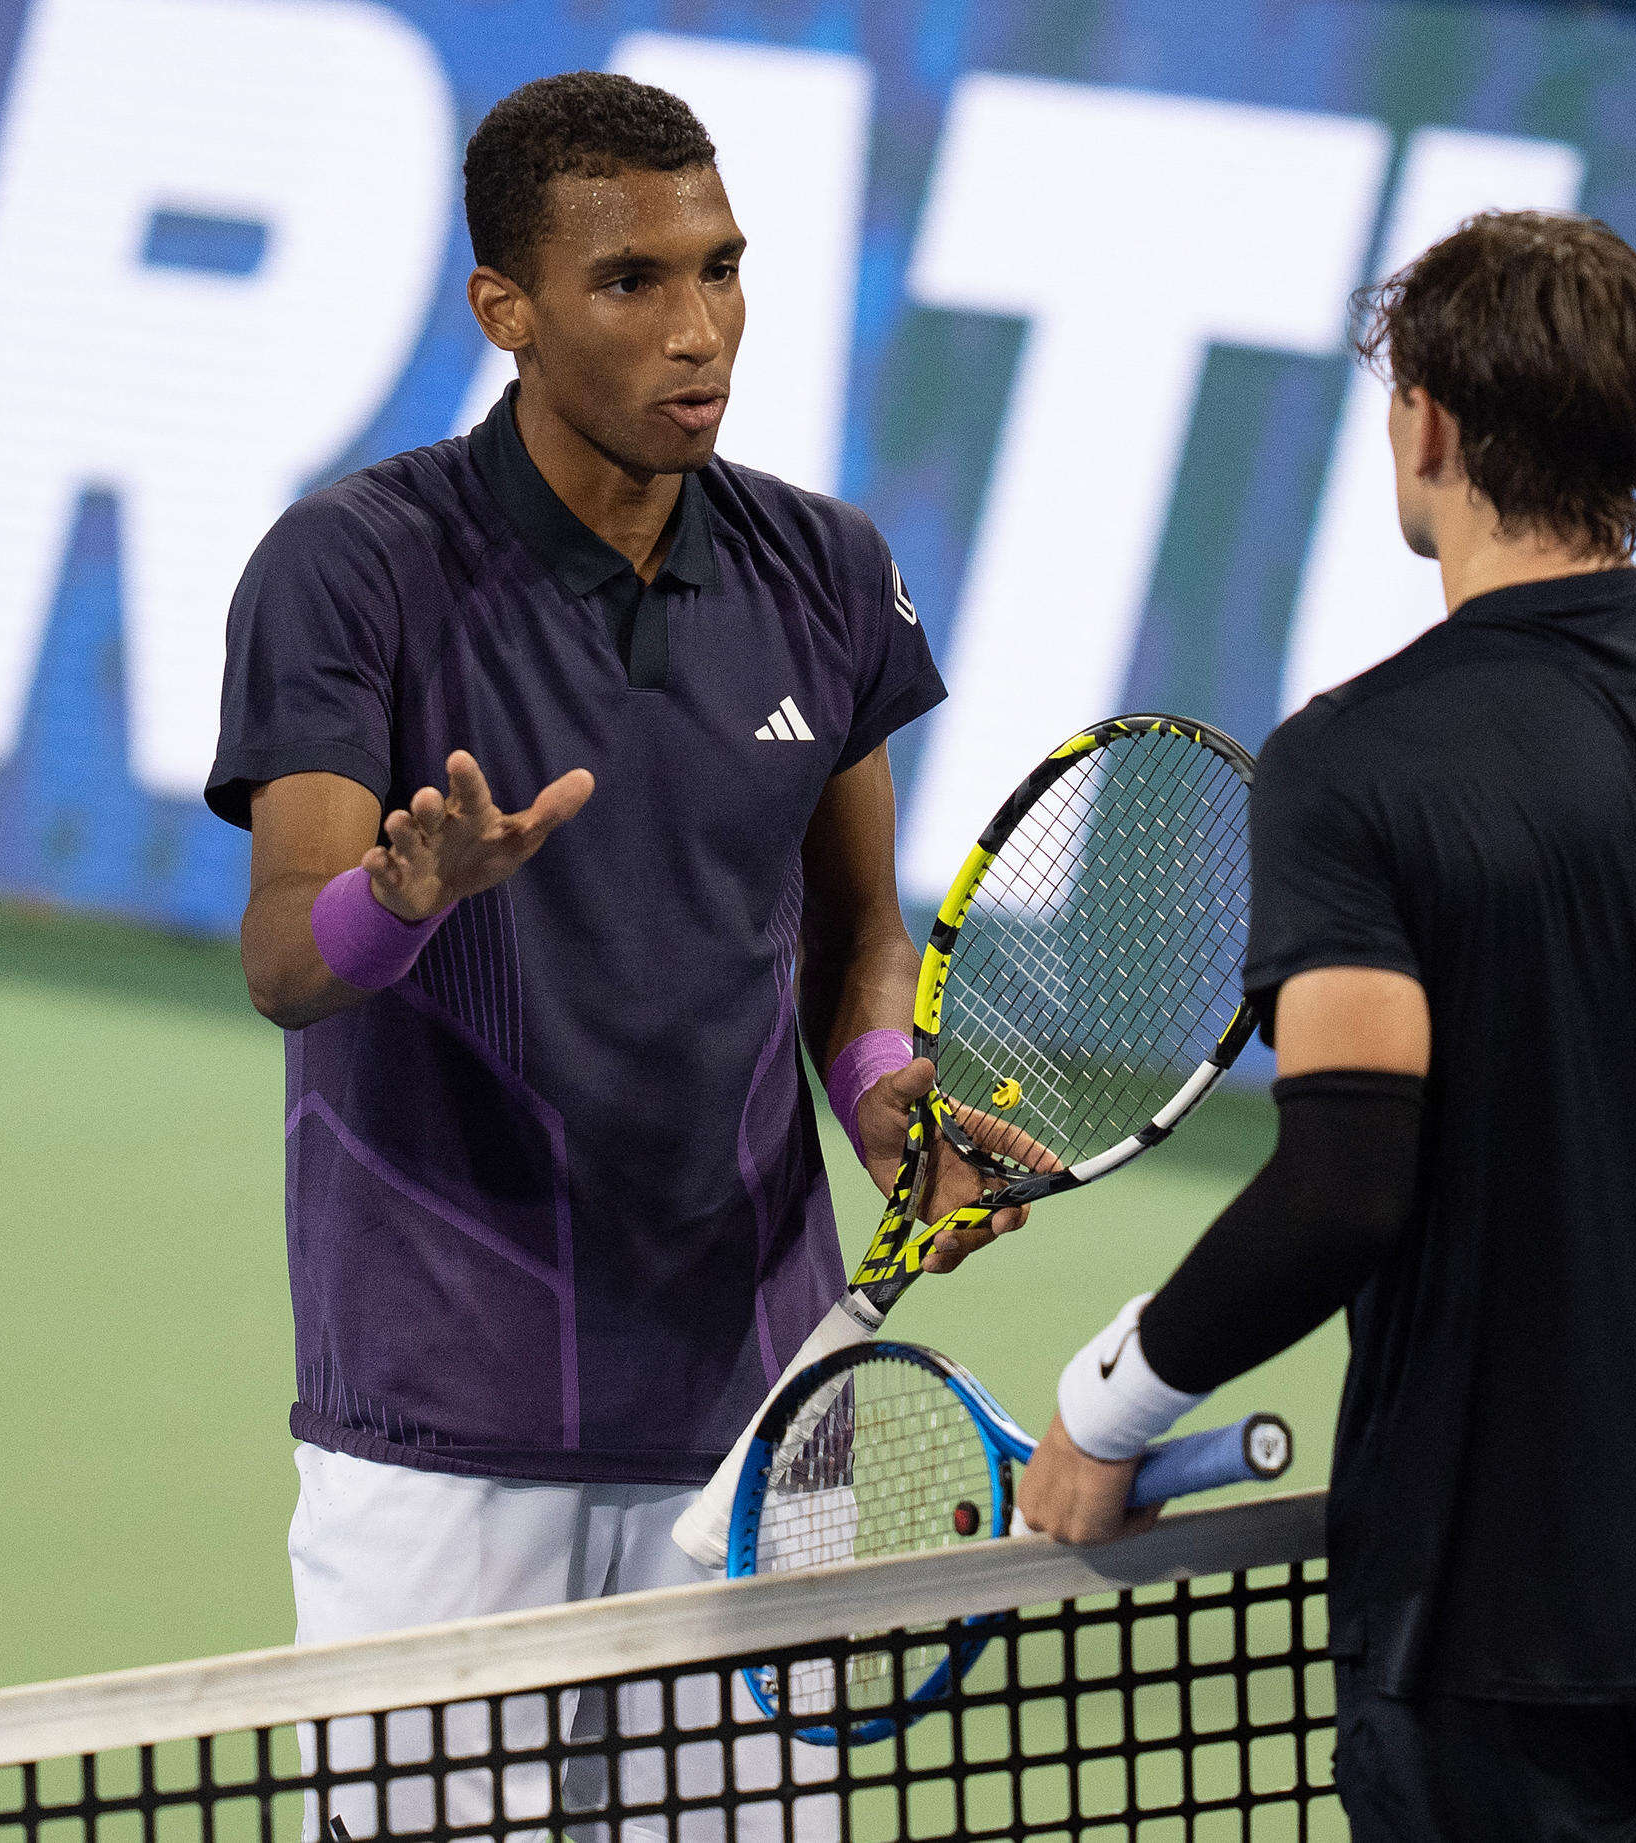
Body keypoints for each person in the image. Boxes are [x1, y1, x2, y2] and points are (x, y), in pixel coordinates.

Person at [1017, 210, 1636, 1843]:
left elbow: (1343, 1180)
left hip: (1489, 1649)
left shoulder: (1355, 765)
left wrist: (1107, 1408)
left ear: (1430, 425)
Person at [205, 71, 1013, 1833]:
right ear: (506, 310)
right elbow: (284, 952)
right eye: (632, 283)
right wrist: (400, 902)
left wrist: (885, 1092)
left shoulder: (826, 569)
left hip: (752, 1413)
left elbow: (857, 932)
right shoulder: (354, 568)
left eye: (722, 269)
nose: (700, 329)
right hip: (441, 1420)